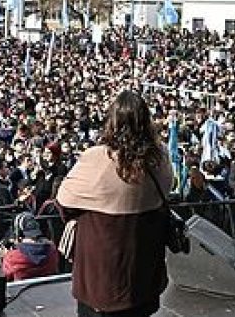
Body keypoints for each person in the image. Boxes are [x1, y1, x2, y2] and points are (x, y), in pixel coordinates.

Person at [57, 91, 171, 317]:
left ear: (111, 121)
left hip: (102, 280)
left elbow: (64, 202)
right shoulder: (159, 159)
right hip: (143, 278)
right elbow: (165, 194)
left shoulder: (96, 159)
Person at [0, 211, 60, 281]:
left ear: (19, 234)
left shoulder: (11, 258)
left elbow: (6, 277)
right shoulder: (52, 250)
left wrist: (4, 258)